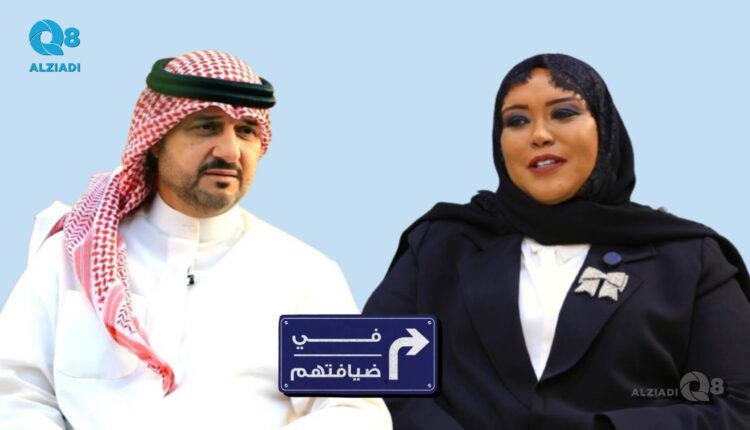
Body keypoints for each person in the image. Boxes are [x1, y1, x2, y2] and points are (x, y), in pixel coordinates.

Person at [0, 50, 391, 429]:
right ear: (156, 139)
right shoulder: (73, 254)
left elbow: (356, 411)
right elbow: (14, 393)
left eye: (246, 131)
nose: (230, 151)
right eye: (206, 126)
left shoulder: (307, 274)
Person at [364, 53, 750, 429]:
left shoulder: (689, 257)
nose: (540, 135)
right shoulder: (440, 243)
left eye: (564, 113)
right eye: (517, 121)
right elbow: (370, 373)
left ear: (605, 128)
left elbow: (736, 403)